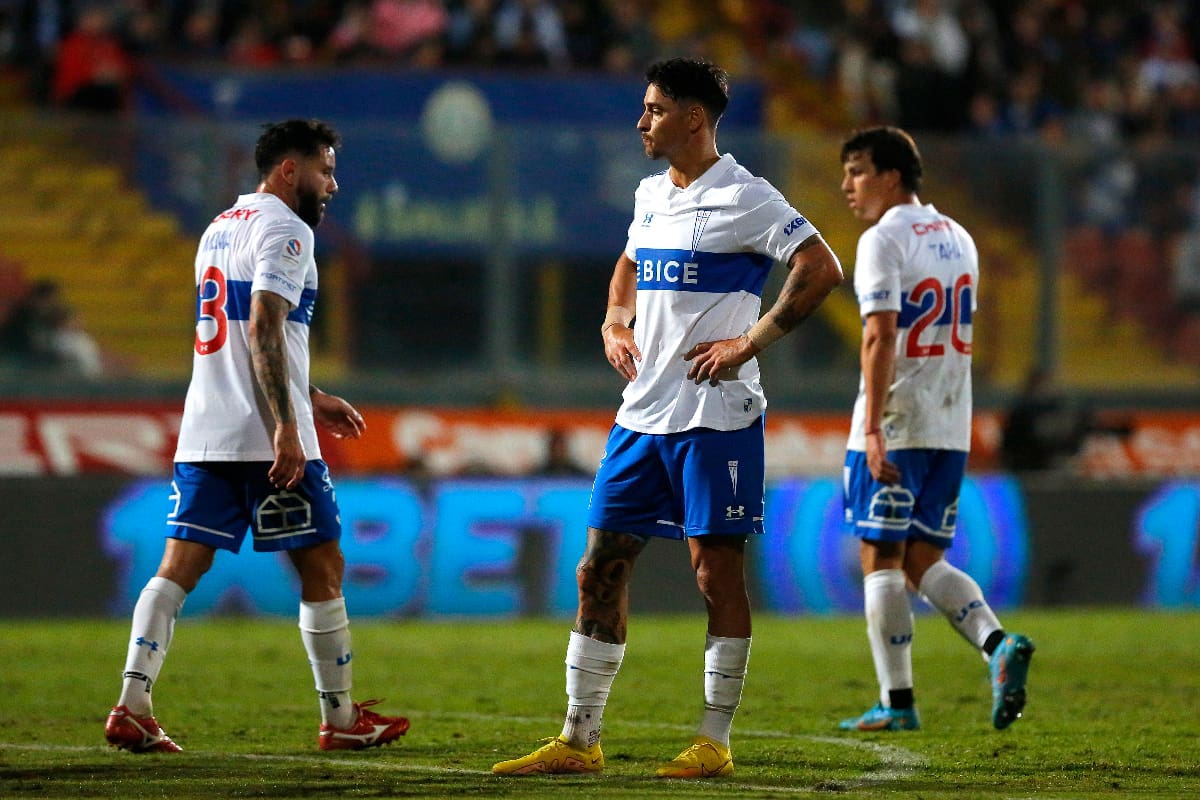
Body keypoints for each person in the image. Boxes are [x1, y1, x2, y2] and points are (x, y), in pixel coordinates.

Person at [492, 57, 843, 778]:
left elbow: (821, 267)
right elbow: (627, 265)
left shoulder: (747, 196)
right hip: (640, 418)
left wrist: (750, 342)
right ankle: (579, 740)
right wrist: (615, 322)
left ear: (692, 118)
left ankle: (713, 740)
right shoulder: (651, 194)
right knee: (599, 568)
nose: (641, 121)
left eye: (653, 109)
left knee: (715, 575)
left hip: (715, 420)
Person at [104, 119, 409, 754]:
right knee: (322, 566)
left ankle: (132, 702)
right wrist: (287, 427)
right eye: (325, 170)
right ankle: (341, 718)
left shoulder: (220, 227)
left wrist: (309, 394)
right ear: (289, 171)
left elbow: (241, 334)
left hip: (205, 431)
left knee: (177, 568)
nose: (333, 185)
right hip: (263, 440)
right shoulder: (285, 228)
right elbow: (264, 327)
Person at [837, 125, 1034, 733]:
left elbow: (880, 333)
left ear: (892, 175)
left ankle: (897, 704)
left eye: (858, 171)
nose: (846, 185)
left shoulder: (881, 240)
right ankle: (997, 644)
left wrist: (872, 429)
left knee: (881, 557)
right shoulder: (960, 237)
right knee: (924, 556)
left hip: (896, 418)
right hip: (950, 422)